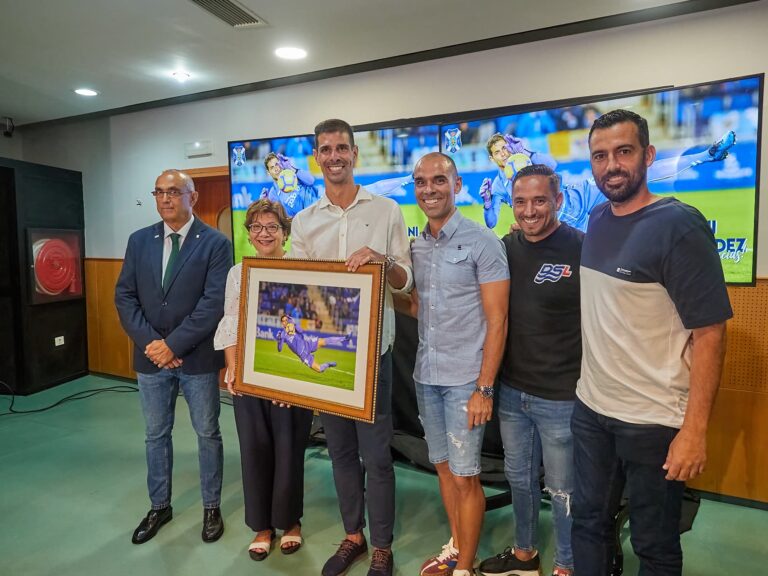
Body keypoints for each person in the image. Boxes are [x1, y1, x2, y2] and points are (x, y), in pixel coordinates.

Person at [571, 109, 732, 575]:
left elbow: (710, 333)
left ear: (648, 155)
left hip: (653, 420)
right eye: (600, 156)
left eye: (623, 152)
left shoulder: (679, 226)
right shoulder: (599, 217)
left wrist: (694, 431)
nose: (611, 165)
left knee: (654, 545)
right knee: (587, 524)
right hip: (592, 410)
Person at [289, 118, 413, 576]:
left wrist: (382, 262)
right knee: (340, 451)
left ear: (355, 154)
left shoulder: (386, 211)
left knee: (376, 455)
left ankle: (382, 545)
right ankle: (353, 537)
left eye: (343, 147)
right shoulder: (303, 221)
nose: (335, 156)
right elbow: (299, 292)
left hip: (373, 355)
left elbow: (406, 281)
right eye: (326, 149)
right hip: (330, 356)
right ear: (317, 157)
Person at [115, 169, 232, 545]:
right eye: (159, 192)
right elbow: (125, 297)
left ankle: (211, 506)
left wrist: (174, 345)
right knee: (155, 435)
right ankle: (159, 505)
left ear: (192, 197)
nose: (166, 198)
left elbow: (213, 303)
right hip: (151, 359)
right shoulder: (139, 241)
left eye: (174, 192)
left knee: (207, 434)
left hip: (195, 359)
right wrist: (154, 344)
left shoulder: (215, 243)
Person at [477, 164, 583, 576]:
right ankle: (524, 555)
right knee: (519, 480)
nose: (529, 210)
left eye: (540, 200)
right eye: (520, 201)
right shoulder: (505, 248)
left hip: (562, 397)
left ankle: (567, 564)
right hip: (511, 393)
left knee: (562, 490)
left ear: (557, 201)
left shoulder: (582, 247)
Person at [410, 152, 509, 576]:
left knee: (467, 476)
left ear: (457, 185)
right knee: (445, 470)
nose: (429, 189)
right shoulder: (417, 245)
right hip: (425, 377)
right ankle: (455, 546)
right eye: (420, 182)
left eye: (438, 180)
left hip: (465, 382)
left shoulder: (483, 241)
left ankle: (465, 568)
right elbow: (419, 306)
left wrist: (484, 387)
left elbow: (498, 319)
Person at [213, 199, 313, 561]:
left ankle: (291, 522)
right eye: (256, 227)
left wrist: (297, 379)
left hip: (290, 377)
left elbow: (309, 323)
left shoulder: (302, 268)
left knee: (289, 448)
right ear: (249, 234)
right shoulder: (239, 273)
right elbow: (230, 322)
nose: (264, 233)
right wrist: (233, 368)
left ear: (285, 233)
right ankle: (262, 525)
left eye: (272, 227)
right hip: (250, 378)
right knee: (255, 449)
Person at [478, 129, 736, 232]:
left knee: (628, 178)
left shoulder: (526, 157)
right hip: (562, 226)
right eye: (498, 151)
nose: (504, 152)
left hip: (578, 196)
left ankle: (706, 155)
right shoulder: (499, 184)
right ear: (492, 159)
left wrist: (527, 151)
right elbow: (490, 224)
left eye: (505, 147)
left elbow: (553, 166)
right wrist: (488, 204)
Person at [276, 313, 351, 373]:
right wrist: (279, 340)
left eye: (286, 319)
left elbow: (301, 331)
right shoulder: (282, 334)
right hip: (303, 355)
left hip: (307, 344)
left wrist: (295, 324)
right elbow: (280, 349)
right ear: (282, 323)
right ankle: (328, 364)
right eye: (283, 321)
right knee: (319, 369)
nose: (285, 321)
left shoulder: (292, 326)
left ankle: (345, 338)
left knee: (324, 341)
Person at [260, 151, 320, 217]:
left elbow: (311, 180)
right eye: (272, 167)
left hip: (317, 211)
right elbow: (279, 218)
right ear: (268, 172)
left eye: (277, 164)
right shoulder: (273, 193)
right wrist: (265, 205)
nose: (276, 169)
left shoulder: (293, 173)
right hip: (303, 222)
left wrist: (291, 168)